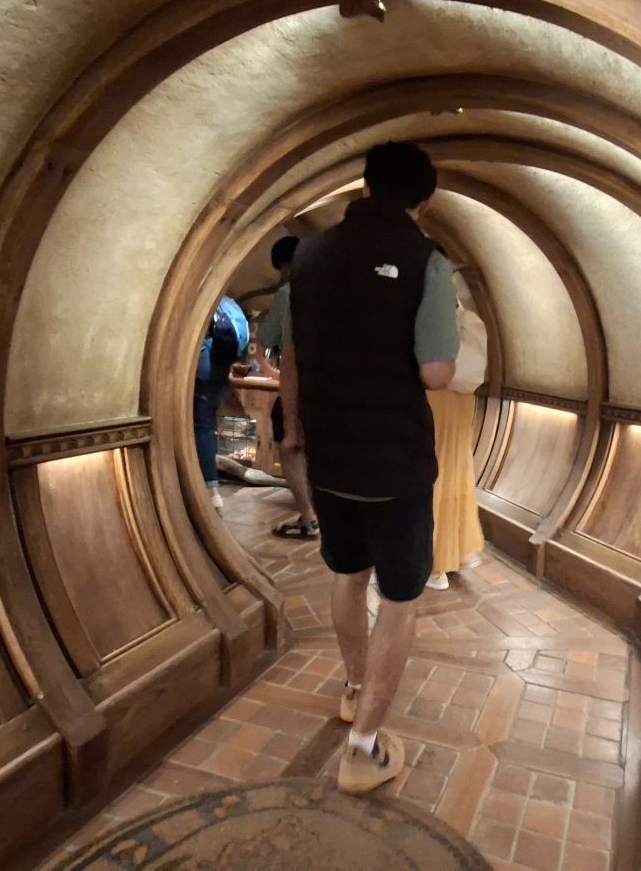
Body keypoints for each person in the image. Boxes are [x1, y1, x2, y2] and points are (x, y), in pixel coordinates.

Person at [281, 142, 458, 794]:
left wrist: (294, 430)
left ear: (364, 185)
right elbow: (436, 374)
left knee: (347, 575)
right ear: (425, 200)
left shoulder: (309, 255)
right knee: (401, 599)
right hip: (395, 461)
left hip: (330, 455)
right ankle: (363, 751)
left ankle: (354, 690)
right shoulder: (426, 260)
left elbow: (292, 354)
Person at [426, 267, 487, 590]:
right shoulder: (471, 321)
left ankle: (434, 560)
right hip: (461, 404)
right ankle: (456, 552)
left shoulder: (427, 320)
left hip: (434, 401)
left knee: (431, 476)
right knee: (456, 472)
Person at [253, 236, 318, 539]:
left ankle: (308, 516)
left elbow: (267, 338)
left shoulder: (289, 293)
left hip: (301, 384)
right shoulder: (335, 286)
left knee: (289, 445)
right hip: (335, 386)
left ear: (286, 265)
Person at [193, 294, 248, 512]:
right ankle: (211, 488)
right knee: (209, 425)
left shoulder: (199, 297)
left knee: (201, 427)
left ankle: (211, 491)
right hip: (220, 365)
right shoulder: (225, 300)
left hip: (204, 362)